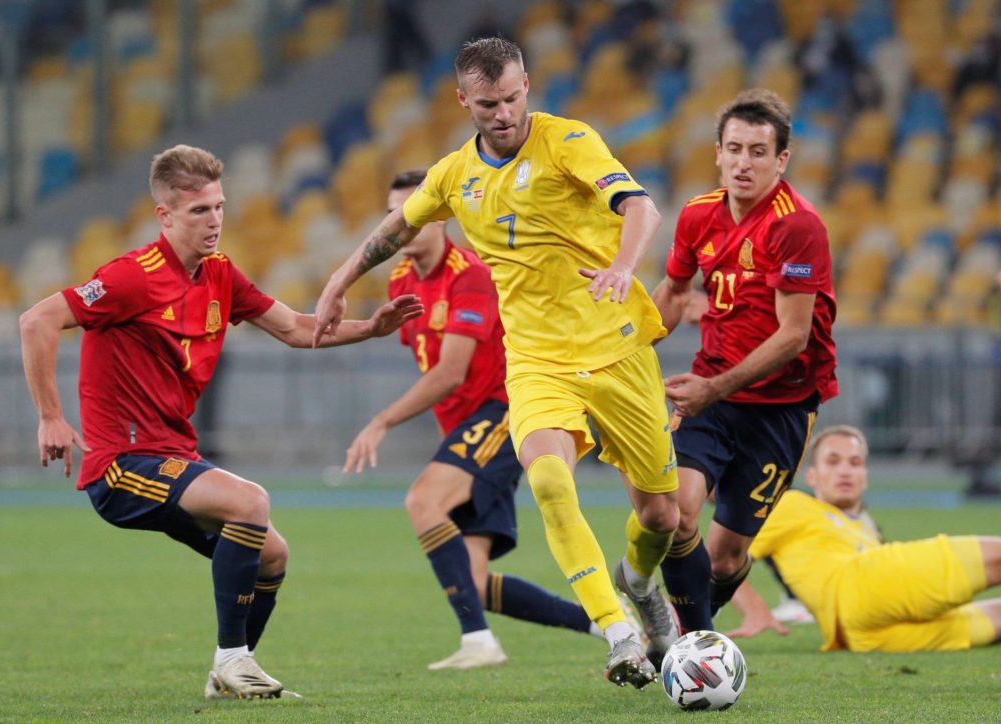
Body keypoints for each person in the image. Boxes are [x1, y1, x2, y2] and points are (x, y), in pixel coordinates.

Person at [314, 37, 681, 689]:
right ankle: (618, 631)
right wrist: (341, 279)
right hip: (538, 361)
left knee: (661, 517)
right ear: (464, 101)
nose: (504, 112)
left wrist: (624, 267)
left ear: (528, 87)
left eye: (513, 97)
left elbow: (640, 206)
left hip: (617, 350)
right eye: (489, 103)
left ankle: (642, 583)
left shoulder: (569, 141)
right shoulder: (455, 175)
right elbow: (397, 228)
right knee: (546, 480)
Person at [18, 144, 422, 700]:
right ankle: (232, 657)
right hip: (121, 464)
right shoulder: (131, 277)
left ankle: (229, 675)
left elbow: (298, 329)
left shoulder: (221, 276)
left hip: (174, 456)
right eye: (198, 212)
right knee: (250, 501)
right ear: (165, 216)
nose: (214, 222)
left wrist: (368, 330)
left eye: (219, 207)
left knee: (273, 555)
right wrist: (50, 417)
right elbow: (36, 320)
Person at [344, 169, 627, 670]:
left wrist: (382, 421)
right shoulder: (400, 279)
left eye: (413, 212)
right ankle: (611, 623)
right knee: (472, 582)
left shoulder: (469, 273)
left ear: (440, 217)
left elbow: (451, 372)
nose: (403, 223)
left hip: (502, 412)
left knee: (422, 499)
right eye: (394, 214)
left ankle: (477, 640)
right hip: (461, 429)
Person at [651, 88, 838, 638]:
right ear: (717, 152)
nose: (743, 162)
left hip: (780, 408)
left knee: (727, 557)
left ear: (781, 160)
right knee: (677, 514)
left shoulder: (797, 226)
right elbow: (674, 292)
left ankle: (685, 638)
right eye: (734, 148)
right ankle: (686, 645)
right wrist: (622, 349)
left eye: (758, 151)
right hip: (710, 390)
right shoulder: (697, 215)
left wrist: (713, 388)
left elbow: (794, 336)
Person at [727, 425, 1001, 652]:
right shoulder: (793, 504)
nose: (844, 470)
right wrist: (754, 609)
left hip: (859, 636)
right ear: (812, 475)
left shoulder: (865, 529)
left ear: (865, 477)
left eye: (855, 463)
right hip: (857, 585)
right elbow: (719, 557)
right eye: (833, 461)